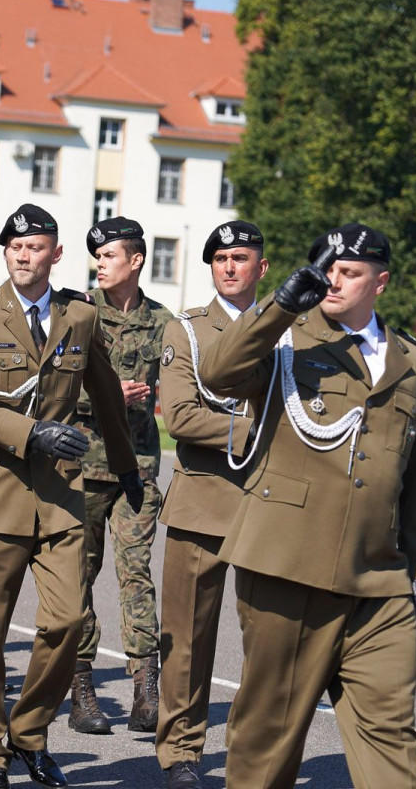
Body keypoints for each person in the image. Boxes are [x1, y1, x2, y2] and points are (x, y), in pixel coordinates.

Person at [199, 222, 416, 789]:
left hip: (378, 582)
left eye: (349, 272)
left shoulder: (415, 363)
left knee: (391, 737)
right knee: (268, 737)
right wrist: (280, 306)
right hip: (287, 566)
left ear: (380, 282)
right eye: (327, 269)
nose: (334, 281)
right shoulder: (284, 338)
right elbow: (217, 373)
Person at [0, 203, 141, 789]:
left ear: (56, 254)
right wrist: (29, 432)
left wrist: (127, 468)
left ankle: (28, 733)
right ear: (5, 254)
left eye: (35, 247)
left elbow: (106, 393)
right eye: (15, 247)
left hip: (58, 495)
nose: (24, 256)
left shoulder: (78, 315)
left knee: (67, 620)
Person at [154, 221, 268, 789]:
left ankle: (253, 754)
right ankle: (181, 752)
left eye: (240, 257)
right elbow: (179, 415)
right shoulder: (188, 330)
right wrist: (258, 432)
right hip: (202, 499)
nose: (228, 266)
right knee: (187, 640)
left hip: (269, 505)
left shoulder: (289, 331)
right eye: (220, 258)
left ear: (261, 268)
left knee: (268, 643)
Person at [70, 217, 172, 735]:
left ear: (136, 260)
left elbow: (178, 387)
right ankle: (81, 686)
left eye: (109, 255)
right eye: (97, 256)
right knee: (78, 576)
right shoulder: (77, 313)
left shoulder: (164, 322)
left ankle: (146, 688)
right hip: (83, 467)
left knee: (136, 573)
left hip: (137, 468)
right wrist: (107, 396)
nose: (100, 264)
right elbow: (51, 387)